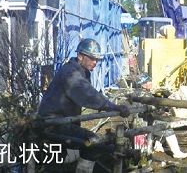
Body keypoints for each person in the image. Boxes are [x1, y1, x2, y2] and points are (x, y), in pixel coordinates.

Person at [37, 38, 130, 173]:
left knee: (56, 160)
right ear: (80, 56)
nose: (95, 62)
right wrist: (112, 106)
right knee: (93, 144)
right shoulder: (70, 73)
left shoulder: (80, 71)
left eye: (97, 59)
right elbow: (87, 94)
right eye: (92, 58)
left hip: (60, 122)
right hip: (53, 124)